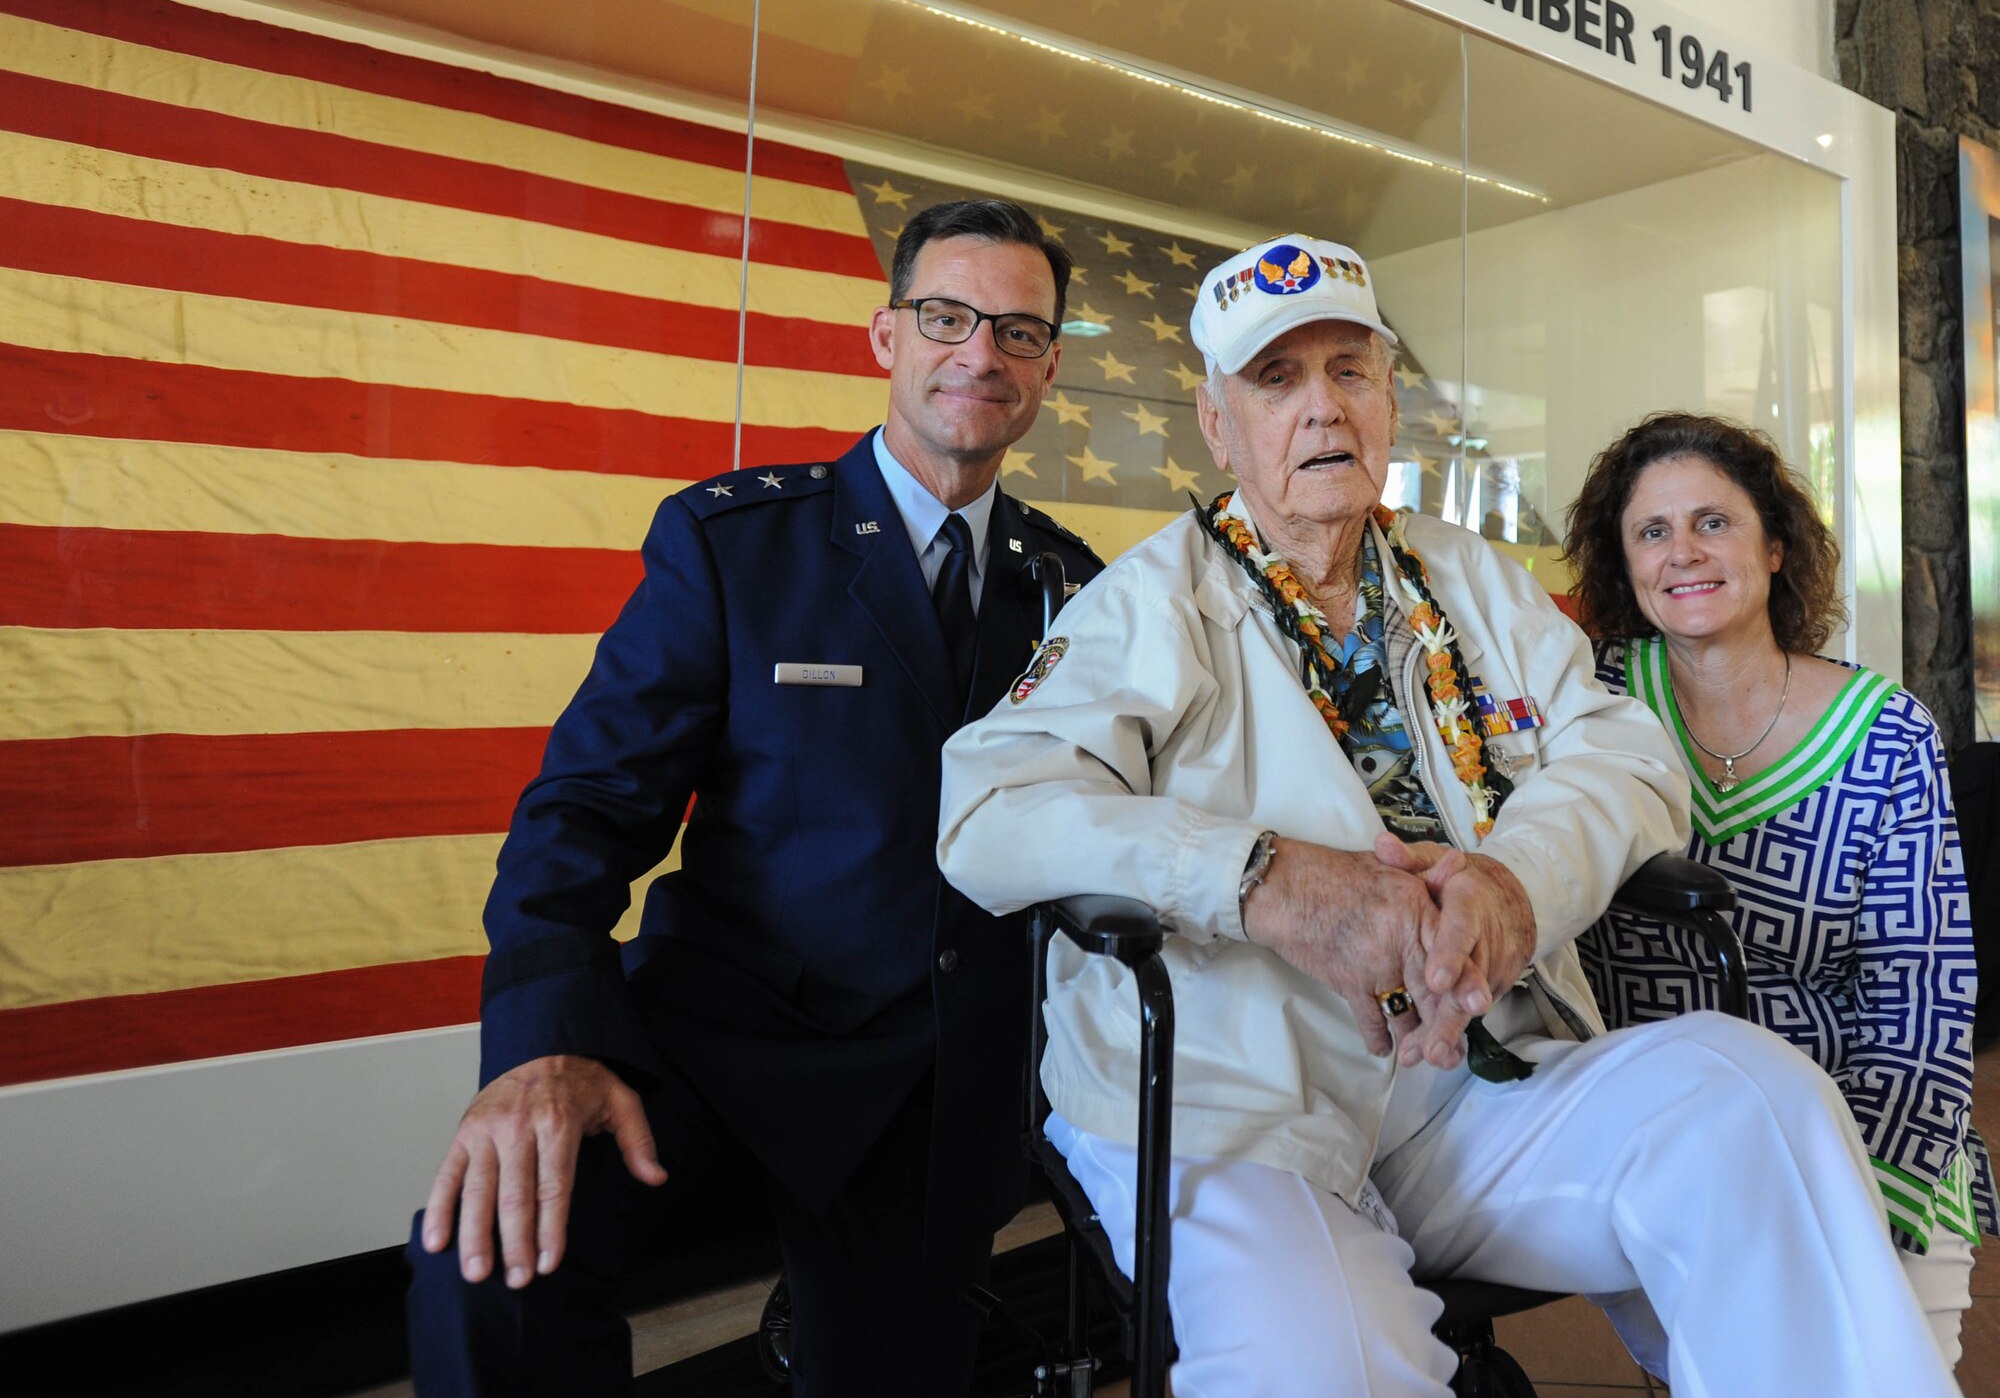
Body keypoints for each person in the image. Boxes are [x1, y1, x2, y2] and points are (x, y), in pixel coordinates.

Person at [937, 233, 1959, 1398]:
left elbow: (1620, 749)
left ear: (1384, 398)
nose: (1321, 407)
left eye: (1349, 369)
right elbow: (988, 808)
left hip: (1479, 1075)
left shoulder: (1462, 575)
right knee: (1325, 1362)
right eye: (1276, 379)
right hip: (1237, 1105)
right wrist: (1261, 878)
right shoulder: (1148, 600)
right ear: (1218, 425)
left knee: (1747, 1100)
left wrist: (1513, 883)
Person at [405, 197, 1103, 1396]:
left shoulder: (1074, 590)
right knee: (490, 1264)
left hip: (937, 1089)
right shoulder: (734, 545)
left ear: (1044, 365)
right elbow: (582, 808)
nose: (979, 353)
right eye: (947, 315)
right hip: (719, 1041)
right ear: (886, 335)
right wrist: (539, 1046)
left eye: (1018, 330)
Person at [1565, 409, 1997, 1370]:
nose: (1683, 553)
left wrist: (1867, 1207)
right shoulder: (1582, 701)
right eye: (1652, 531)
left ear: (1775, 548)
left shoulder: (1886, 732)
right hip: (1656, 1144)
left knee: (1882, 1368)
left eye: (1712, 523)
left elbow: (1919, 994)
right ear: (1624, 566)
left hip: (1859, 1128)